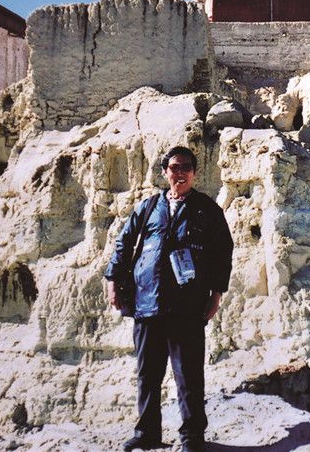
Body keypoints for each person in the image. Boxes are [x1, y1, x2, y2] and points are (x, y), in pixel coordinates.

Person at [105, 146, 234, 452]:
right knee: (148, 374)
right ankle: (147, 433)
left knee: (188, 375)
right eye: (174, 167)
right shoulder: (149, 207)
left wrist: (216, 293)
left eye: (186, 167)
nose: (180, 173)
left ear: (195, 173)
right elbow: (124, 242)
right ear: (164, 172)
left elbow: (223, 253)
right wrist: (112, 281)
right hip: (148, 303)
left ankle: (192, 437)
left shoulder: (207, 210)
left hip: (187, 306)